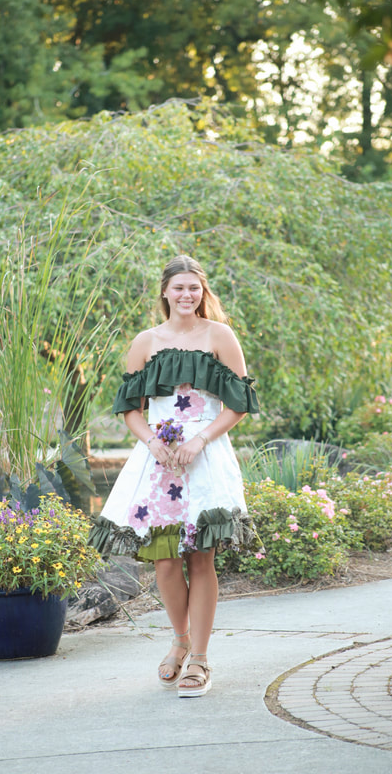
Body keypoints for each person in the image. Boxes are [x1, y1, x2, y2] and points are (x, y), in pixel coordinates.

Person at [88, 255, 259, 697]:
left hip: (205, 457)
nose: (187, 295)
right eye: (179, 287)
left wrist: (199, 440)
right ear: (165, 291)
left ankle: (199, 657)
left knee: (201, 557)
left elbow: (239, 404)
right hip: (158, 461)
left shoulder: (220, 336)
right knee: (164, 561)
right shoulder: (146, 342)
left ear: (203, 292)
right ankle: (179, 641)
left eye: (194, 288)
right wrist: (152, 441)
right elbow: (130, 408)